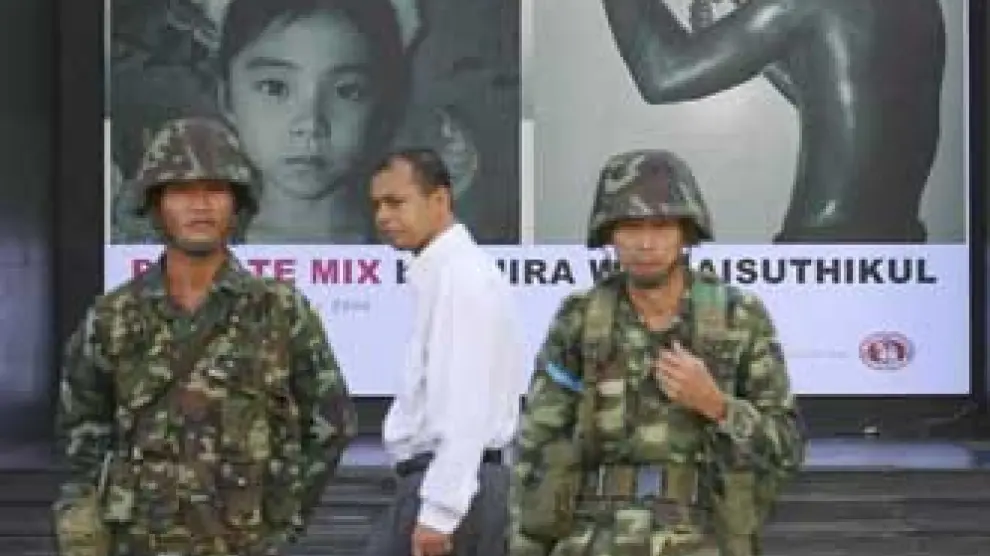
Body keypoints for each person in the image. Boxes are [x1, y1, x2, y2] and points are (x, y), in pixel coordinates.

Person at [52, 117, 358, 556]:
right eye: (181, 190)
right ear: (156, 205)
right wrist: (87, 516)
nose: (200, 205)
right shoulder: (113, 317)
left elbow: (332, 423)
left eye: (215, 189)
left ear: (237, 204)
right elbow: (81, 427)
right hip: (138, 543)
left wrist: (283, 516)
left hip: (244, 543)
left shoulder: (279, 311)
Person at [510, 150, 806, 555]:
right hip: (594, 540)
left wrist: (717, 406)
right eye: (631, 227)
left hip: (701, 538)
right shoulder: (580, 318)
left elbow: (788, 449)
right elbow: (536, 449)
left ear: (686, 232)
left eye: (662, 226)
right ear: (609, 234)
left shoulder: (738, 317)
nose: (646, 243)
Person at [598, 0, 946, 243]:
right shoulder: (922, 7)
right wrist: (751, 44)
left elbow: (664, 74)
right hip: (901, 241)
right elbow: (837, 98)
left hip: (824, 246)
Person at [364, 148, 522, 556]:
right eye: (377, 205)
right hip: (451, 485)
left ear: (439, 200)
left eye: (396, 202)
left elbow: (466, 405)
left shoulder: (461, 276)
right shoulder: (444, 273)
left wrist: (440, 512)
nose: (383, 216)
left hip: (453, 492)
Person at [216, 0, 410, 243]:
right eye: (275, 88)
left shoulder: (418, 252)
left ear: (385, 105)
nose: (310, 124)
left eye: (348, 91)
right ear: (228, 99)